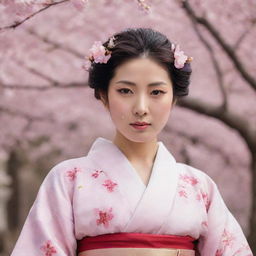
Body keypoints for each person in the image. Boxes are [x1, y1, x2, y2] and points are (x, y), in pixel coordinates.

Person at [11, 27, 253, 256]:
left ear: (174, 99)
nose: (141, 108)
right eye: (125, 91)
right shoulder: (68, 179)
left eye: (156, 92)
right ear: (104, 96)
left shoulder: (198, 186)